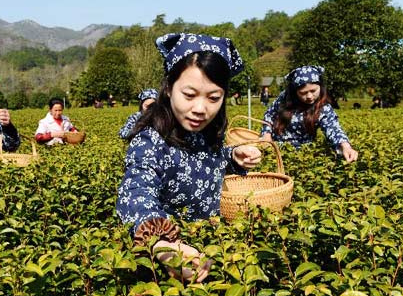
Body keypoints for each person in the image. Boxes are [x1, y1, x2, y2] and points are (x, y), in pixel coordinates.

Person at [116, 33, 262, 282]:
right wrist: (165, 246)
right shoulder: (150, 140)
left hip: (213, 247)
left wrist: (232, 157)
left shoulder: (205, 133)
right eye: (189, 94)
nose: (200, 109)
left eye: (213, 98)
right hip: (172, 262)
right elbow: (136, 191)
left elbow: (205, 164)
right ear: (169, 89)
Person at [261, 65, 358, 163]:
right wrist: (266, 135)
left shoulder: (323, 108)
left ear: (320, 86)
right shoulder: (285, 98)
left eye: (313, 91)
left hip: (303, 156)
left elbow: (333, 128)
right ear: (295, 92)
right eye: (303, 93)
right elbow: (270, 114)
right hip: (275, 152)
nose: (309, 96)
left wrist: (346, 146)